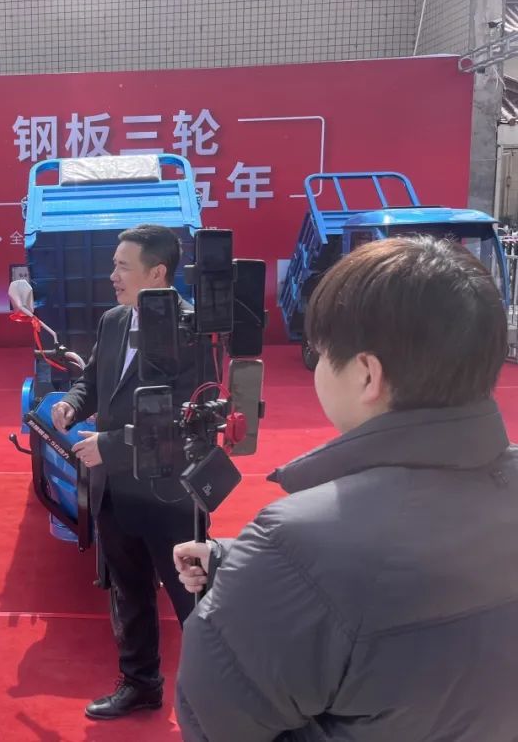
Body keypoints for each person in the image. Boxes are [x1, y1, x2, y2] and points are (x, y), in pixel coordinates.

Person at [173, 236, 517, 741]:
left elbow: (218, 725)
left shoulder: (295, 542)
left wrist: (274, 572)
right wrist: (246, 568)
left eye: (320, 353)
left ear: (367, 374)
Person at [52, 224, 206, 720]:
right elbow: (94, 380)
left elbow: (187, 417)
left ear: (157, 273)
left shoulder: (192, 329)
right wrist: (72, 404)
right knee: (129, 590)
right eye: (113, 265)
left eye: (123, 266)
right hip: (115, 490)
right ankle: (140, 683)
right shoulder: (114, 320)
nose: (112, 275)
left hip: (168, 493)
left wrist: (110, 446)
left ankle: (220, 698)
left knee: (194, 599)